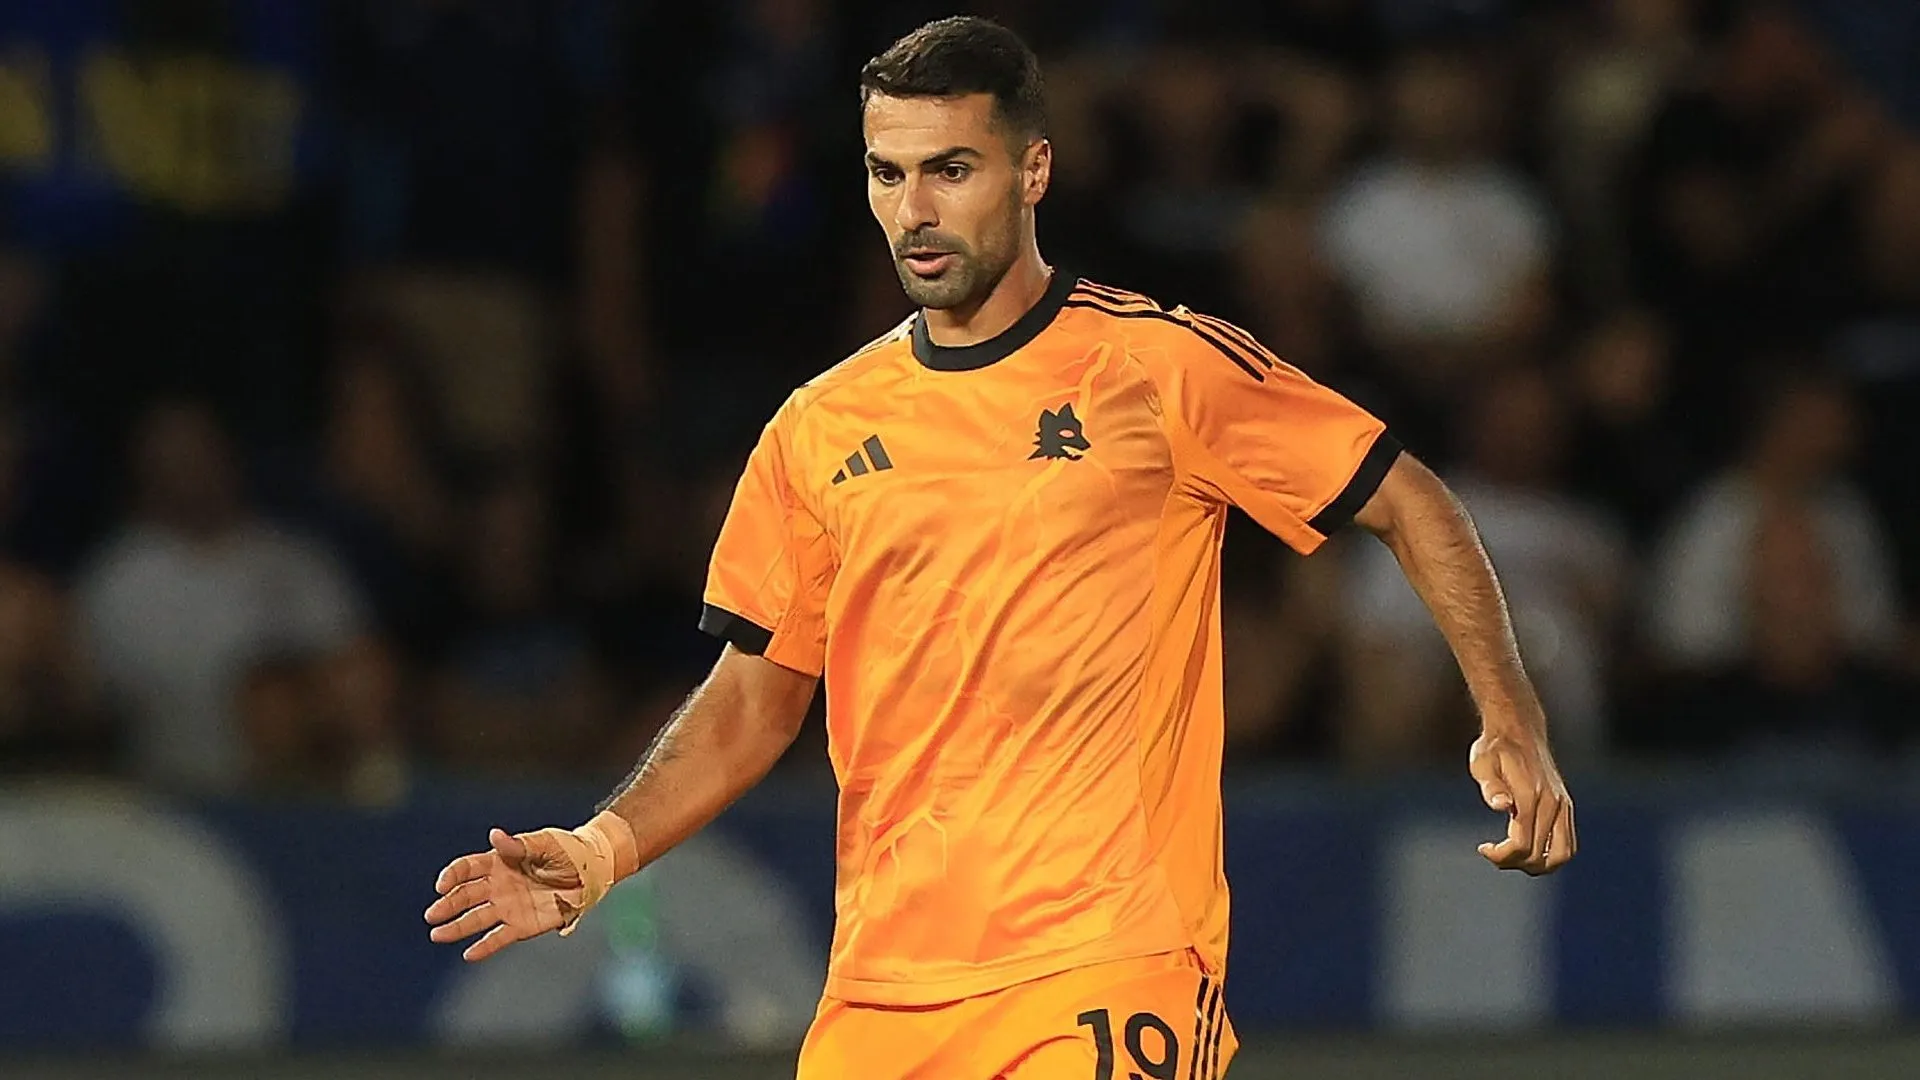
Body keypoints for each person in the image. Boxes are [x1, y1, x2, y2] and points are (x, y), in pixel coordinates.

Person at [425, 17, 1576, 1078]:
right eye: (888, 173)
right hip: (883, 996)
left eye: (951, 170)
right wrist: (603, 847)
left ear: (1033, 171)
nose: (914, 210)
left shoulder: (1158, 368)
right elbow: (754, 697)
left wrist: (1510, 717)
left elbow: (1410, 500)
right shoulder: (819, 427)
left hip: (1107, 967)